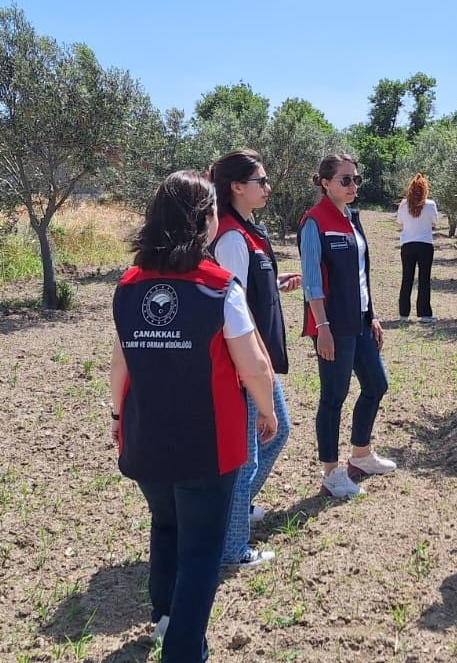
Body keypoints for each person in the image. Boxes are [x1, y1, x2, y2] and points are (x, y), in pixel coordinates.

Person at [110, 170, 278, 662]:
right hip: (208, 443)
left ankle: (164, 617)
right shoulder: (218, 287)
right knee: (201, 550)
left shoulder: (129, 285)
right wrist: (266, 411)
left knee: (165, 526)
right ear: (205, 221)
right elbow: (256, 365)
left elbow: (120, 364)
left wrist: (120, 418)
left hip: (146, 436)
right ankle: (183, 649)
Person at [208, 149, 299, 569]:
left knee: (274, 433)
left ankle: (233, 513)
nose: (267, 187)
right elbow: (231, 306)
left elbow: (243, 291)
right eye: (260, 181)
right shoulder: (229, 237)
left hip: (255, 358)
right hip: (246, 362)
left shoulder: (244, 231)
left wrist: (274, 283)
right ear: (237, 188)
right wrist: (249, 369)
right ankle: (231, 546)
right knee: (248, 451)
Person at [299, 153, 396, 498]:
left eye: (356, 179)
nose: (353, 185)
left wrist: (373, 316)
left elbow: (361, 275)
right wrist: (322, 327)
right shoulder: (315, 221)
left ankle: (361, 455)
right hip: (333, 325)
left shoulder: (353, 218)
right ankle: (330, 472)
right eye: (345, 180)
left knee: (376, 384)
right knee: (334, 397)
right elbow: (311, 281)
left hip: (360, 321)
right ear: (325, 183)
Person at [395, 173, 440, 322]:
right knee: (424, 279)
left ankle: (403, 314)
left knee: (406, 278)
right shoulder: (430, 205)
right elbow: (435, 223)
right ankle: (424, 314)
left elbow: (399, 224)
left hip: (407, 245)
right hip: (425, 245)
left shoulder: (403, 204)